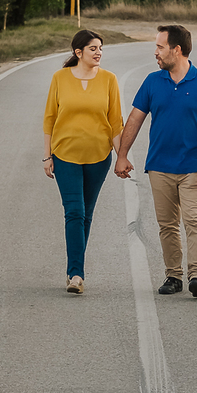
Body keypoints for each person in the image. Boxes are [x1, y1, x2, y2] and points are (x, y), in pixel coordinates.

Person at [114, 24, 197, 298]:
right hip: (160, 166)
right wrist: (123, 155)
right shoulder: (152, 81)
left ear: (177, 49)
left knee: (195, 221)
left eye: (160, 47)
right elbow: (135, 120)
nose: (156, 53)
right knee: (167, 225)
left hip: (194, 167)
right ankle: (173, 276)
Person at [43, 29, 124, 295]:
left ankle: (74, 269)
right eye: (93, 48)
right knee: (75, 211)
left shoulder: (110, 79)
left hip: (99, 157)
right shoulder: (60, 78)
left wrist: (121, 157)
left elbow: (115, 123)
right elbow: (49, 119)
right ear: (78, 52)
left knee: (86, 214)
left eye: (100, 48)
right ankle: (76, 273)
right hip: (65, 155)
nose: (98, 52)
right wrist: (47, 155)